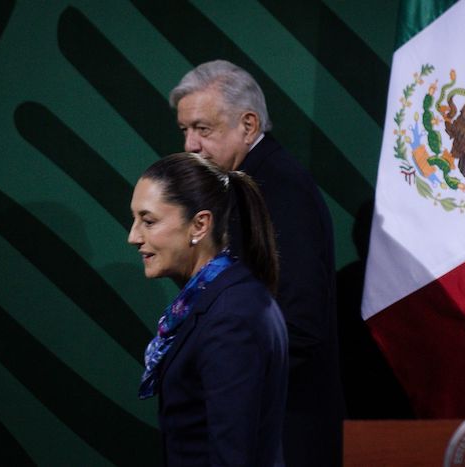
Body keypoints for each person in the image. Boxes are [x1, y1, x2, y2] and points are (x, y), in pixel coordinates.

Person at [170, 60, 343, 467]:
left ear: (248, 126)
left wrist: (224, 382)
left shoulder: (277, 190)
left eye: (203, 129)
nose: (190, 145)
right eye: (185, 131)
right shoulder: (244, 187)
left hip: (285, 433)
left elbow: (299, 323)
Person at [128, 153, 288, 466]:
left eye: (148, 221)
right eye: (135, 221)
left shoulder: (232, 315)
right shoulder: (223, 299)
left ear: (200, 224)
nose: (133, 236)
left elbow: (231, 455)